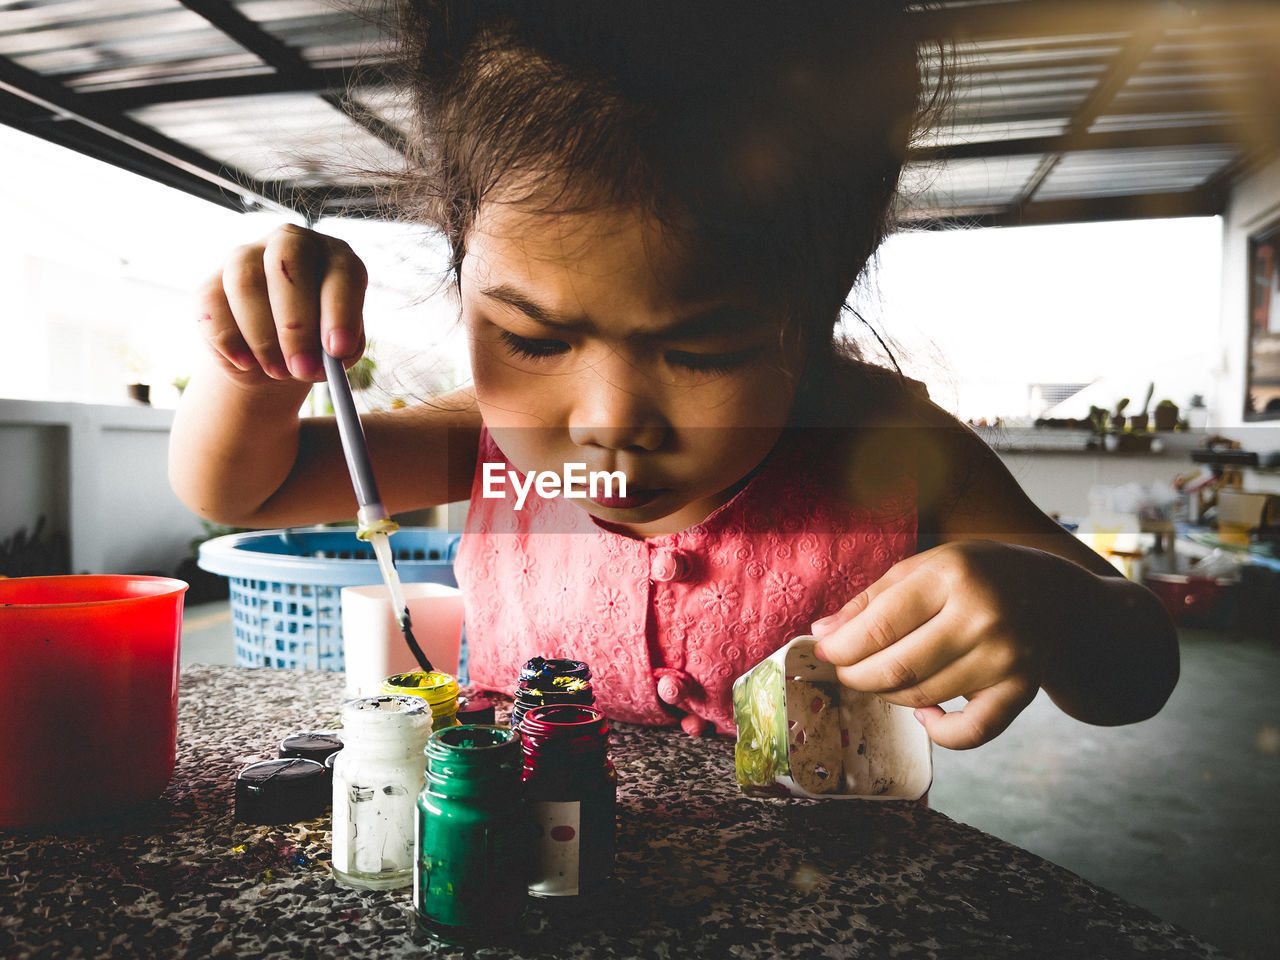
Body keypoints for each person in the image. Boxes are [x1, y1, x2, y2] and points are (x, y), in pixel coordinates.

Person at [170, 0, 1178, 747]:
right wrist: (258, 368)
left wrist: (1057, 608)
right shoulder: (486, 445)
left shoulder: (887, 450)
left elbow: (1139, 670)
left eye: (699, 351)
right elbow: (239, 489)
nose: (608, 423)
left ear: (817, 301)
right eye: (533, 340)